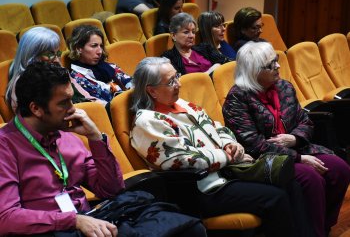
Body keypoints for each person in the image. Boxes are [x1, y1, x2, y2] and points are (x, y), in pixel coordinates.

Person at [0, 62, 207, 236]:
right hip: (53, 230)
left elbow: (111, 189)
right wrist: (72, 221)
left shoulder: (66, 135)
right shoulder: (5, 146)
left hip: (89, 220)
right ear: (36, 108)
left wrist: (96, 138)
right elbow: (6, 218)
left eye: (72, 99)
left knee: (190, 228)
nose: (73, 108)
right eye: (64, 103)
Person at [129, 56, 302, 237]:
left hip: (227, 173)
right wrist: (227, 156)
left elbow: (217, 127)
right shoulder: (147, 122)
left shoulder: (180, 104)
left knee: (292, 184)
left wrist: (230, 144)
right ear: (152, 91)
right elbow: (178, 160)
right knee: (275, 198)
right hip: (200, 188)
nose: (178, 84)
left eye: (177, 76)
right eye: (171, 81)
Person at [222, 41, 350, 237]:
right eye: (271, 64)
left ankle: (324, 225)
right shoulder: (237, 99)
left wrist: (294, 138)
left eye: (277, 60)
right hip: (264, 160)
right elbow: (253, 145)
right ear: (254, 71)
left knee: (340, 169)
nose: (278, 66)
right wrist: (297, 158)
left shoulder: (284, 87)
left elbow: (305, 121)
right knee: (311, 179)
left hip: (297, 148)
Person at [5, 27, 97, 112]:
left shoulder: (58, 70)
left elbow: (86, 96)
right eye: (50, 54)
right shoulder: (23, 83)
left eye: (58, 53)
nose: (56, 59)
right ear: (32, 55)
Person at [67, 25, 133, 104]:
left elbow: (129, 81)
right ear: (78, 48)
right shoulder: (77, 79)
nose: (100, 51)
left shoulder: (109, 66)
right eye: (94, 46)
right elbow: (103, 105)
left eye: (101, 46)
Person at [161, 12, 231, 75]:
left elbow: (225, 61)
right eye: (186, 32)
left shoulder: (205, 47)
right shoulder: (168, 58)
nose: (191, 36)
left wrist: (212, 70)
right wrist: (209, 72)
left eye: (193, 32)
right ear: (174, 36)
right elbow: (180, 81)